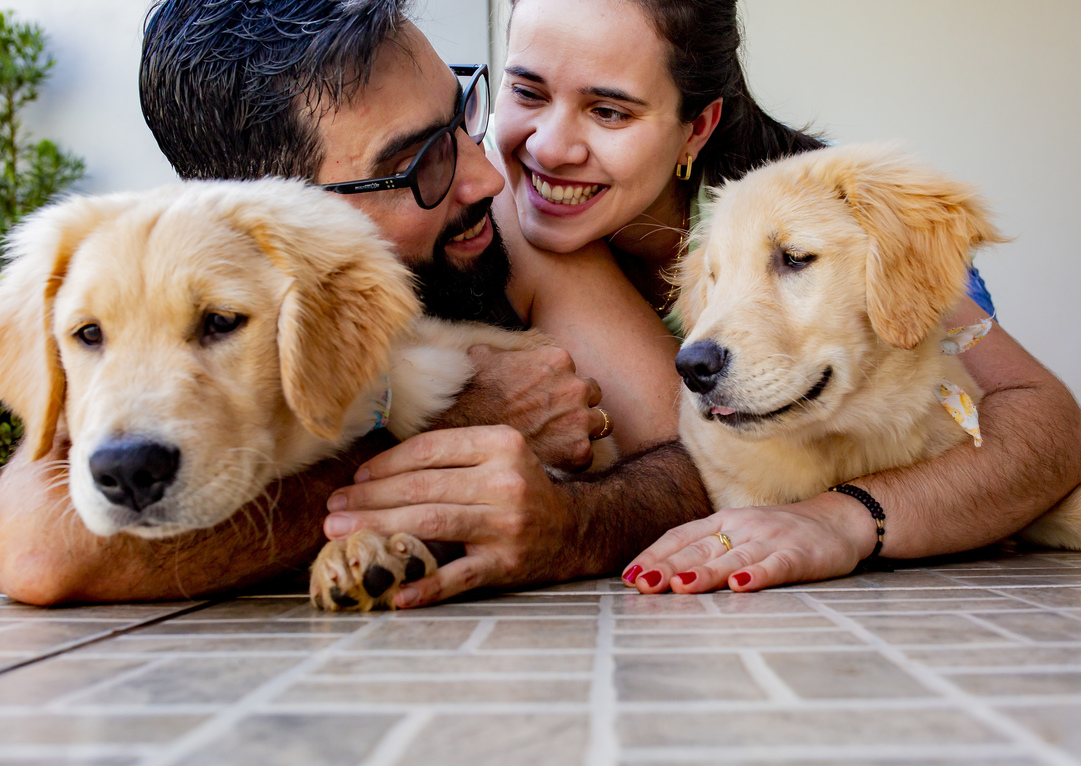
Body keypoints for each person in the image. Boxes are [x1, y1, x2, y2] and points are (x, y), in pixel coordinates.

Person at [0, 0, 709, 607]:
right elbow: (40, 553)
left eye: (462, 116)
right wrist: (438, 427)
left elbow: (696, 460)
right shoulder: (143, 273)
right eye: (415, 163)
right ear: (273, 203)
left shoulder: (509, 232)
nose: (488, 176)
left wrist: (573, 525)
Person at [485, 0, 1081, 593]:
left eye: (609, 111)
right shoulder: (484, 201)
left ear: (696, 129)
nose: (548, 148)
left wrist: (847, 517)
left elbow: (1055, 433)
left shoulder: (812, 200)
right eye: (528, 92)